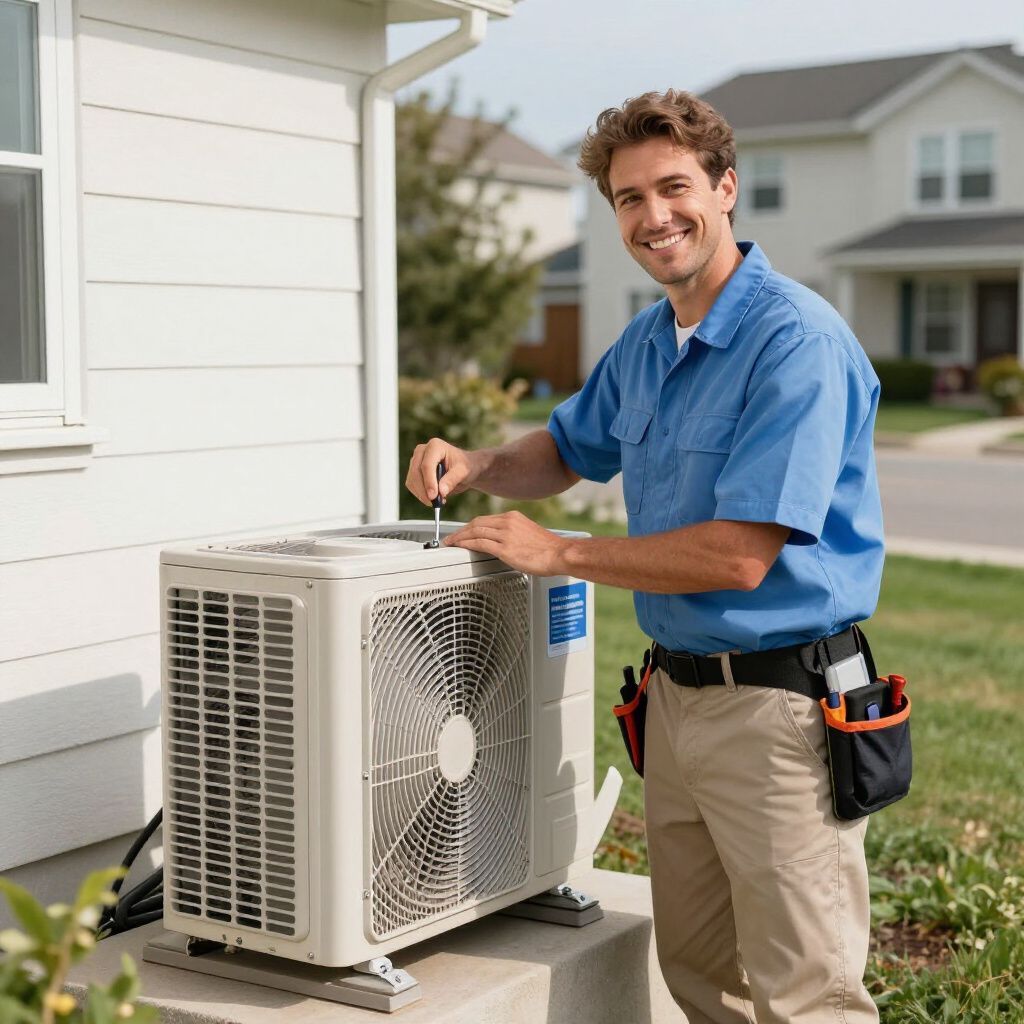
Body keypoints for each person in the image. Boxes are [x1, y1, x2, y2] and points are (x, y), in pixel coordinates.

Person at [405, 89, 883, 1024]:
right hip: (674, 703)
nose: (654, 216)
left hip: (779, 712)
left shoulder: (796, 344)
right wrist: (479, 463)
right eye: (629, 198)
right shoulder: (647, 342)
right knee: (701, 977)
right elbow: (568, 448)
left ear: (726, 188)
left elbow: (742, 555)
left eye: (674, 188)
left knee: (805, 997)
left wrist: (564, 552)